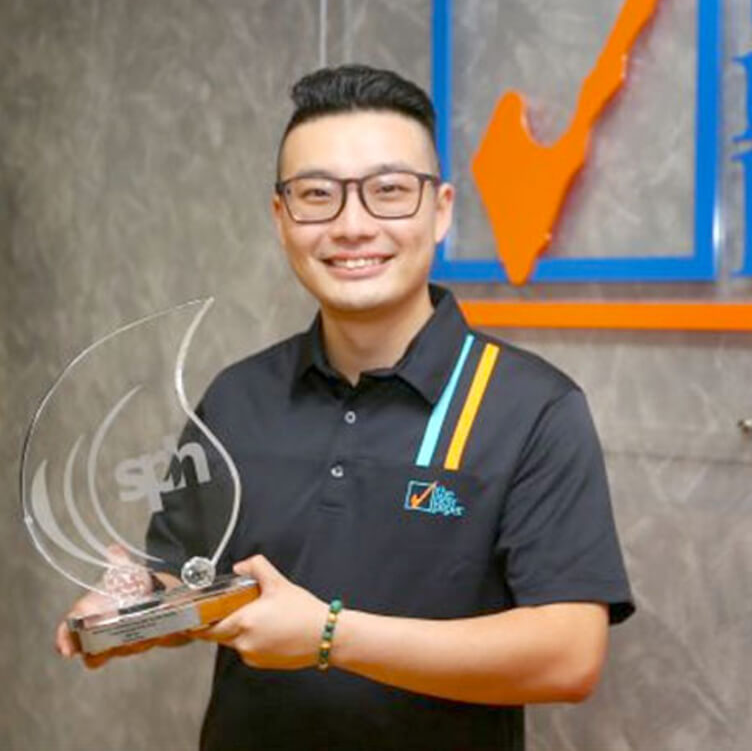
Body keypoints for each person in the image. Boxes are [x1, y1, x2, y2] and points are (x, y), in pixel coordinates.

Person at [55, 64, 635, 750]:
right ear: (282, 217)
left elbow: (569, 654)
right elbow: (189, 579)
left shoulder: (534, 408)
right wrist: (133, 608)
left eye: (389, 191)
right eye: (317, 195)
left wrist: (329, 634)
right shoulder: (237, 396)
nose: (352, 225)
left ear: (441, 208)